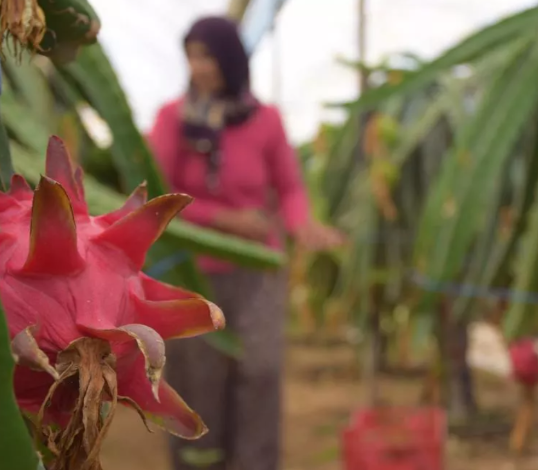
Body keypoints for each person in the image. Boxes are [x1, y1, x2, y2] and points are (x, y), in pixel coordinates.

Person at [144, 15, 344, 470]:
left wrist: (303, 225)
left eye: (208, 56)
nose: (199, 67)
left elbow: (289, 188)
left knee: (260, 374)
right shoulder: (172, 120)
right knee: (198, 383)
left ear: (231, 60)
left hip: (258, 275)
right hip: (190, 277)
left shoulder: (266, 120)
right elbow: (158, 196)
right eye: (193, 57)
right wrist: (226, 220)